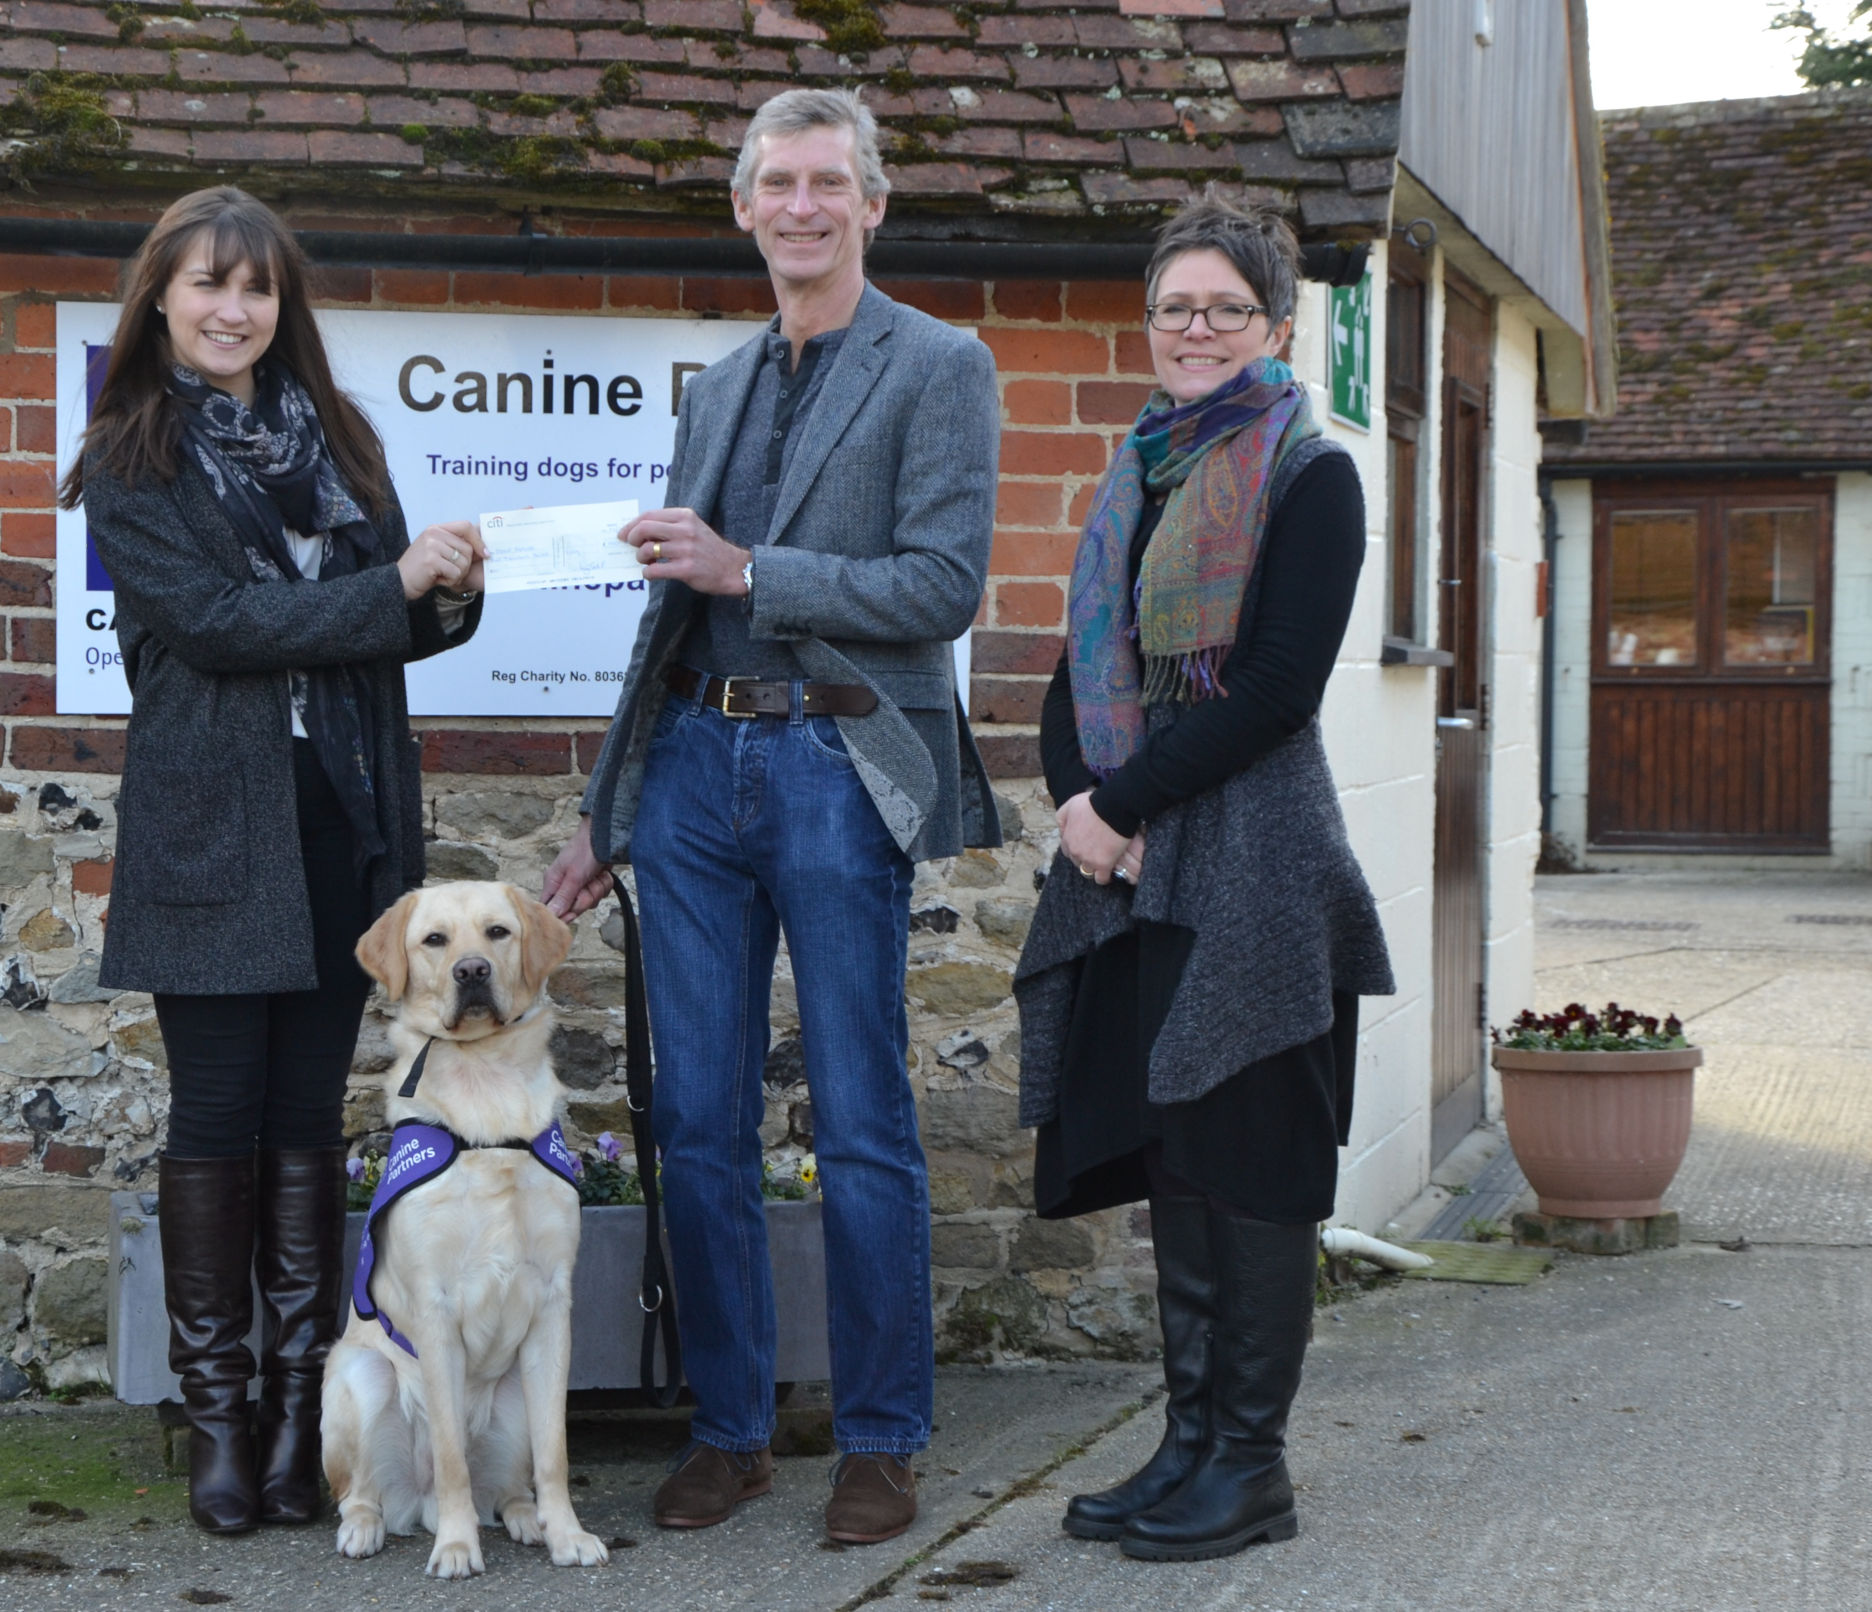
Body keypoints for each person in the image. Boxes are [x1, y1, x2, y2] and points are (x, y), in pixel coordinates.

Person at [542, 87, 1002, 1546]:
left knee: (865, 1116)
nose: (801, 208)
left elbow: (942, 588)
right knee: (696, 1122)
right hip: (689, 771)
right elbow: (669, 618)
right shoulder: (718, 388)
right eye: (775, 186)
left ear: (872, 204)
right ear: (743, 208)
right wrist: (610, 802)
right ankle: (730, 1429)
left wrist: (757, 571)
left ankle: (878, 1436)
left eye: (828, 184)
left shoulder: (942, 365)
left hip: (833, 763)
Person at [60, 186, 485, 1535]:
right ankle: (219, 1425)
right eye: (207, 285)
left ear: (282, 306)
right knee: (216, 1115)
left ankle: (305, 1424)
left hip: (341, 816)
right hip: (209, 821)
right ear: (163, 300)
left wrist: (452, 596)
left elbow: (392, 631)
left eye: (257, 288)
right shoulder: (128, 454)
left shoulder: (341, 442)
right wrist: (393, 589)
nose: (234, 309)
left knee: (307, 1121)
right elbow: (222, 623)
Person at [1013, 191, 1396, 1563]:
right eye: (1174, 306)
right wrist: (1077, 804)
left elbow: (1281, 689)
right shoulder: (1141, 472)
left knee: (1253, 1159)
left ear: (1273, 326)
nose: (1193, 328)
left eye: (1222, 308)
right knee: (1177, 1148)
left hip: (1253, 860)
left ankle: (1251, 1466)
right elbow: (1078, 670)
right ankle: (1185, 1446)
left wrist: (1121, 801)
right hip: (1133, 855)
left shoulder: (1313, 472)